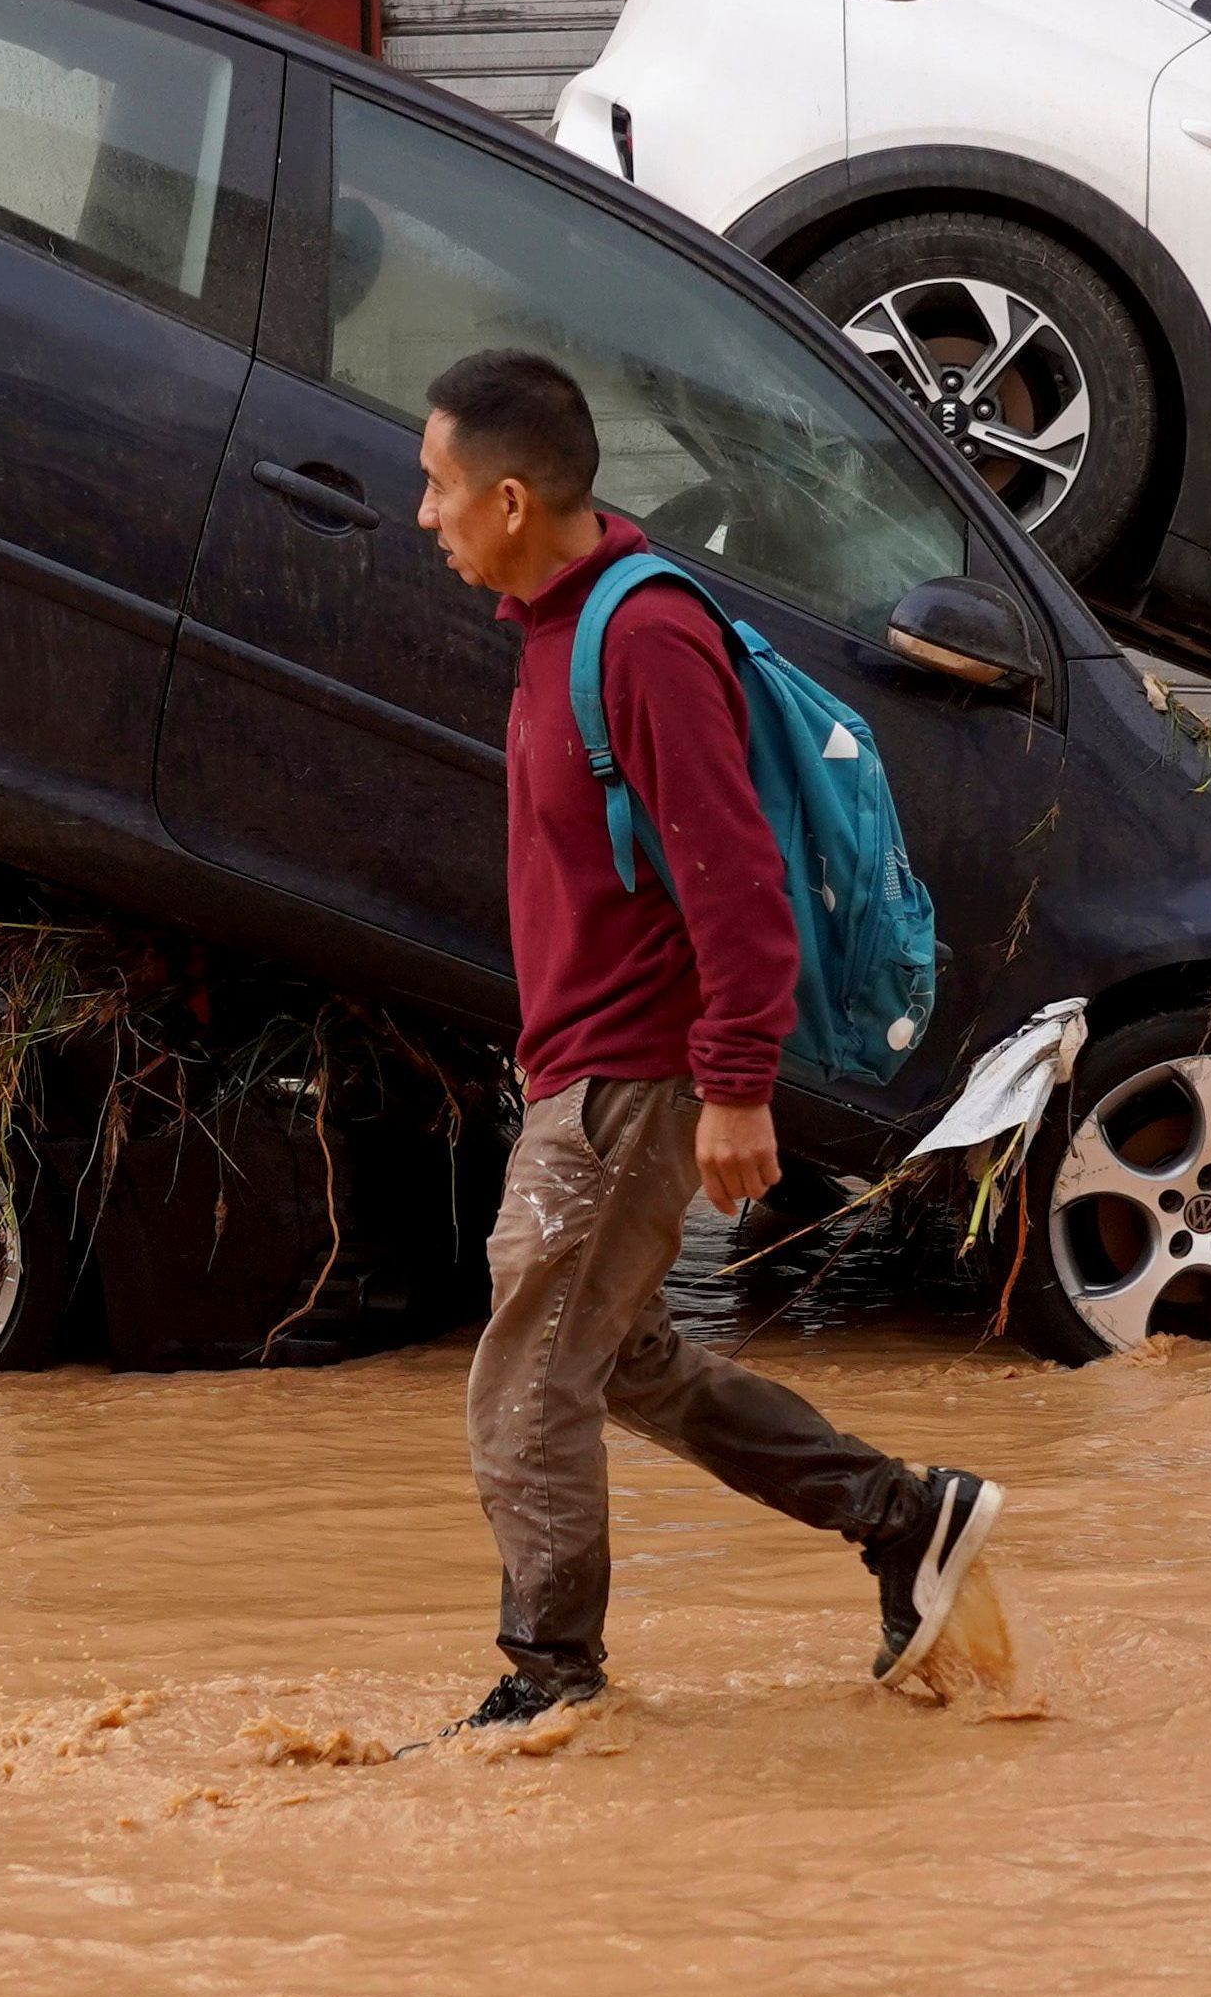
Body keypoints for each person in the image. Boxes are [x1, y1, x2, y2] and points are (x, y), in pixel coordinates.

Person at [421, 347, 1002, 1737]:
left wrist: (737, 1088)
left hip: (635, 1076)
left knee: (528, 1375)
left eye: (437, 488)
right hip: (583, 1067)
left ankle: (548, 1682)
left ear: (509, 498)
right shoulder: (559, 630)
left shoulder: (642, 637)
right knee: (615, 1362)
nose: (423, 515)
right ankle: (904, 1519)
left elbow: (736, 878)